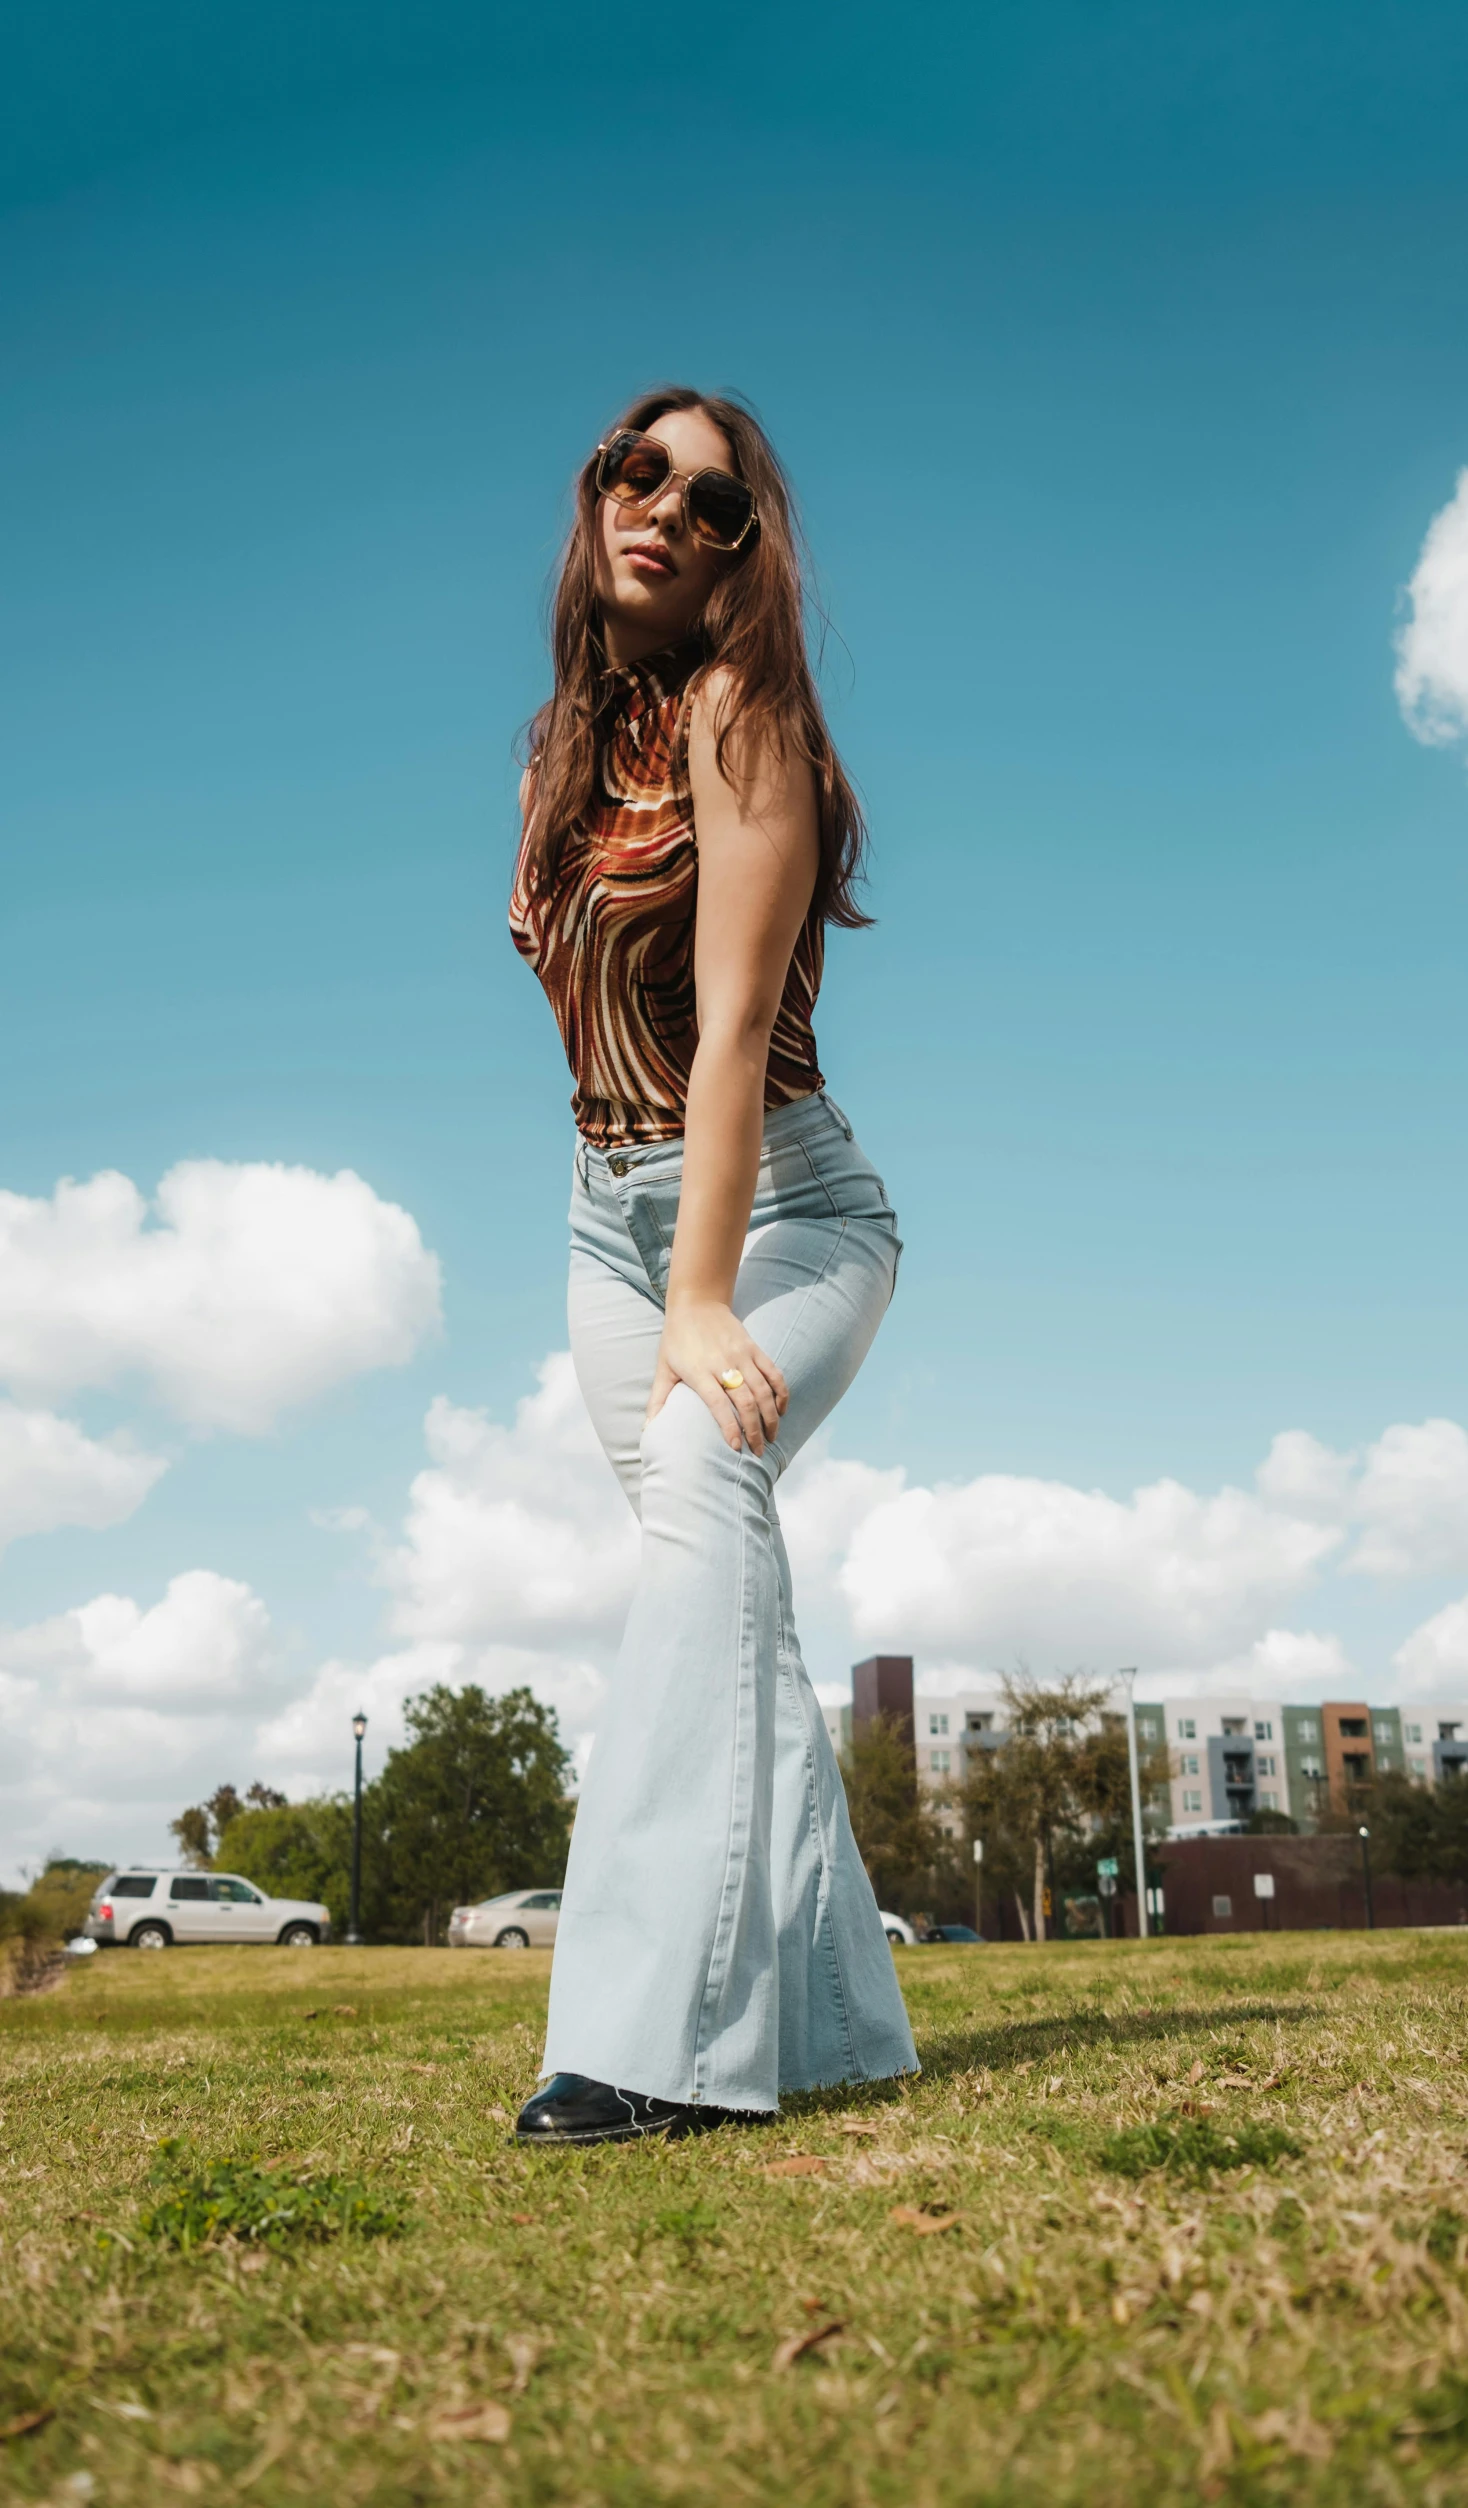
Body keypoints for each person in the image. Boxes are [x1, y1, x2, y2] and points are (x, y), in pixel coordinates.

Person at [509, 386, 917, 2145]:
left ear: (750, 557)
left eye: (715, 503)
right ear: (595, 489)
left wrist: (701, 1295)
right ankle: (841, 2029)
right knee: (723, 1593)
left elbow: (738, 1032)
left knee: (697, 1502)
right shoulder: (560, 741)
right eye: (637, 471)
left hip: (784, 1217)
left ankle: (636, 2041)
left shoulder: (745, 717)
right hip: (609, 1215)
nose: (664, 508)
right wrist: (640, 1258)